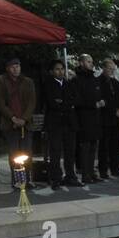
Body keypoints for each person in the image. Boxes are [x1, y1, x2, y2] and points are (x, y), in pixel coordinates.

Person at [42, 59, 79, 189]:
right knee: (55, 152)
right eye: (57, 69)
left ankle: (70, 176)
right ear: (52, 71)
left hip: (69, 122)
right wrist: (66, 104)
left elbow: (74, 100)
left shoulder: (69, 84)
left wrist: (63, 102)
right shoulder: (48, 84)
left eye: (62, 69)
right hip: (55, 123)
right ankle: (56, 178)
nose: (60, 71)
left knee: (70, 151)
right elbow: (52, 103)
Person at [0, 57, 37, 165]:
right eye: (12, 67)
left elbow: (32, 102)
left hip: (26, 123)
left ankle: (27, 178)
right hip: (9, 123)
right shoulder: (0, 80)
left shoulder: (28, 81)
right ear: (7, 68)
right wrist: (13, 118)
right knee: (14, 153)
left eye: (17, 66)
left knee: (27, 152)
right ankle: (17, 179)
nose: (15, 69)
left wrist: (24, 119)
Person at [72, 54, 105, 182]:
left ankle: (91, 173)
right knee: (85, 148)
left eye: (92, 61)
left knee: (93, 147)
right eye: (88, 61)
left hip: (95, 119)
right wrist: (93, 104)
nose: (91, 63)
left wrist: (101, 101)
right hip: (84, 119)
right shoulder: (77, 80)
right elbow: (77, 100)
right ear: (81, 63)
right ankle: (85, 174)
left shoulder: (94, 79)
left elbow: (98, 94)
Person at [97, 58, 119, 179]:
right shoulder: (98, 82)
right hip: (104, 118)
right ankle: (103, 170)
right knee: (104, 146)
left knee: (115, 145)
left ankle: (115, 168)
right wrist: (112, 108)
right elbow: (101, 99)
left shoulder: (115, 83)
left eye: (113, 69)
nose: (111, 71)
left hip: (116, 119)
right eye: (109, 68)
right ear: (104, 68)